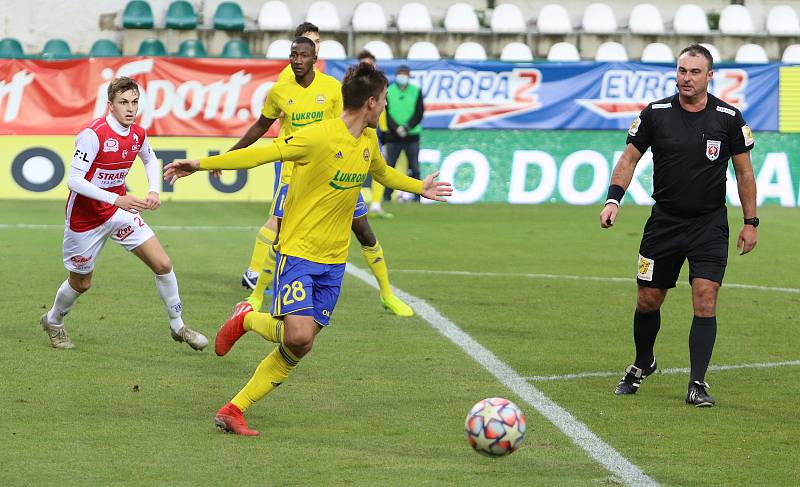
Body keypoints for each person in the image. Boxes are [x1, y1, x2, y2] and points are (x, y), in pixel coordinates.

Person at [163, 62, 453, 435]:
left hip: (334, 262)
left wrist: (418, 187)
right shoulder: (318, 137)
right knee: (297, 336)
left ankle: (234, 409)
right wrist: (201, 164)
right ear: (369, 102)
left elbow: (381, 172)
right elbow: (260, 155)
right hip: (299, 252)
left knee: (301, 346)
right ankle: (247, 318)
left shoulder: (367, 139)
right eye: (382, 100)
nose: (384, 106)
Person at [600, 44, 758, 407]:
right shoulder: (655, 114)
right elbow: (629, 159)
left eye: (694, 72)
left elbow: (744, 173)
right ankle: (643, 363)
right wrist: (613, 199)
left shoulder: (729, 118)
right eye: (682, 71)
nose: (686, 78)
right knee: (647, 300)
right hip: (665, 224)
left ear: (709, 76)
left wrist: (751, 222)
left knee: (705, 298)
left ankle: (697, 383)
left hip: (709, 225)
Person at [238, 25, 415, 318]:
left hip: (337, 169)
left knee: (364, 230)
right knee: (281, 231)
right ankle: (257, 295)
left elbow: (345, 124)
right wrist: (232, 153)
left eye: (308, 50)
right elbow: (262, 125)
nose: (298, 59)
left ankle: (387, 293)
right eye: (294, 53)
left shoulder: (332, 87)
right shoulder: (282, 86)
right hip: (296, 172)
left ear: (314, 54)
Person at [40, 76, 208, 351]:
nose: (130, 108)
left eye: (134, 102)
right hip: (85, 219)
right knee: (81, 283)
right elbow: (74, 181)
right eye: (123, 103)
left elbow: (150, 159)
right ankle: (54, 320)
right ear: (110, 105)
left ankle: (178, 326)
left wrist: (154, 191)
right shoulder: (93, 135)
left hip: (118, 212)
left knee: (163, 264)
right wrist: (116, 198)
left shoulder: (138, 134)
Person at [381, 65, 425, 203]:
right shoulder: (389, 91)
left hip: (412, 135)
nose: (402, 77)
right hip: (393, 136)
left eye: (405, 74)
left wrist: (407, 127)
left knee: (414, 166)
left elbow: (419, 112)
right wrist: (396, 128)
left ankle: (418, 195)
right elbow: (385, 112)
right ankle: (387, 195)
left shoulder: (416, 91)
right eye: (400, 74)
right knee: (390, 167)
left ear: (408, 76)